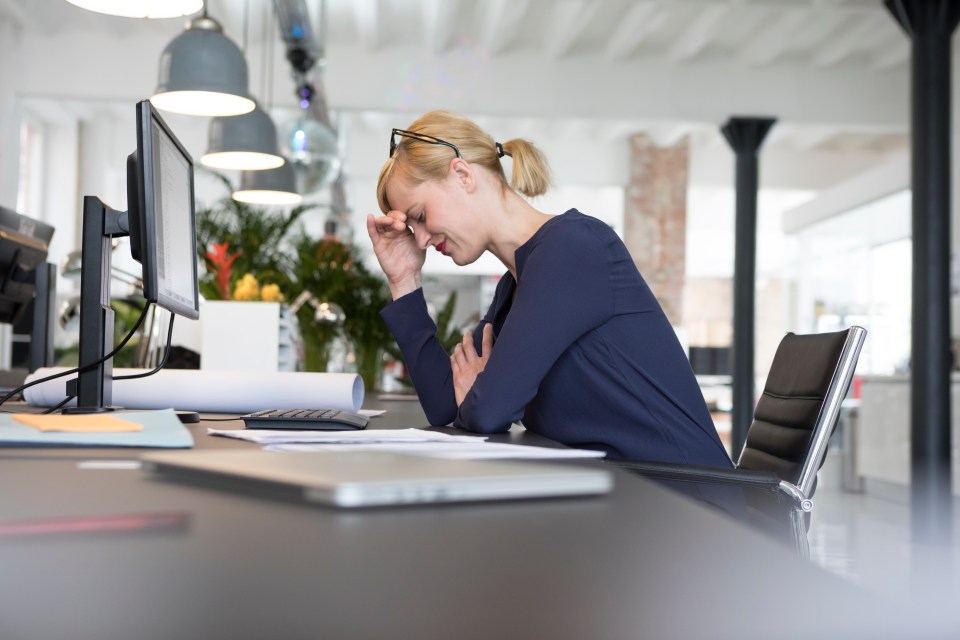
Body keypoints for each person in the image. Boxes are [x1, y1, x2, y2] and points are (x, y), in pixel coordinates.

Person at [366, 110, 731, 470]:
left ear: (462, 175)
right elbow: (447, 404)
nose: (424, 240)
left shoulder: (573, 249)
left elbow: (487, 410)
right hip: (620, 494)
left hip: (684, 503)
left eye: (420, 216)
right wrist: (404, 281)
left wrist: (482, 395)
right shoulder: (518, 281)